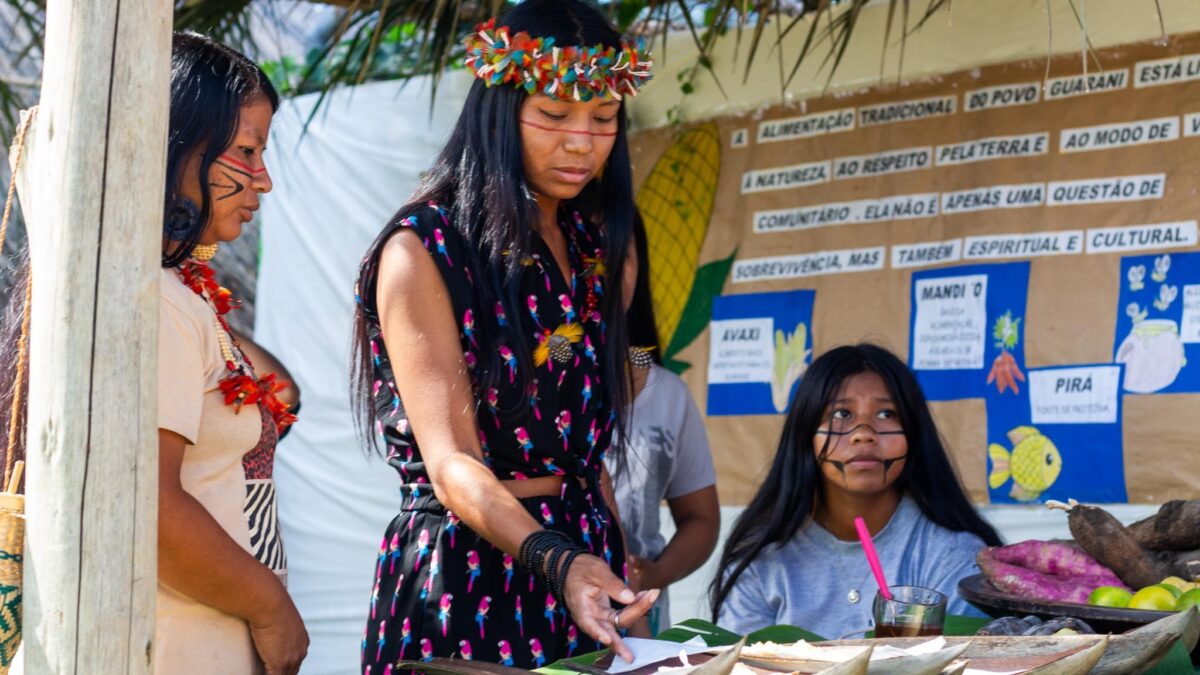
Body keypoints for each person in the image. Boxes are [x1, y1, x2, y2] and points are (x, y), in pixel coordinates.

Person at [350, 1, 658, 669]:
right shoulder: (423, 247)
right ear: (498, 105)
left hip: (586, 564)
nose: (581, 140)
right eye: (553, 115)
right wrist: (560, 560)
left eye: (603, 119)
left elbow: (607, 407)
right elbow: (453, 462)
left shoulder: (606, 244)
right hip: (463, 575)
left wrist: (611, 552)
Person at [157, 33, 307, 674]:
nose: (263, 181)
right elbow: (149, 506)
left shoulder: (174, 293)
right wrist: (273, 608)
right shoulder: (155, 301)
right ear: (178, 144)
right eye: (247, 150)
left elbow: (284, 391)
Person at [710, 344, 1002, 639]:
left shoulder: (953, 555)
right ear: (806, 433)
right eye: (842, 414)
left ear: (913, 435)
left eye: (887, 414)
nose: (864, 433)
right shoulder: (763, 561)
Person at [607, 213, 719, 635]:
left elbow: (701, 518)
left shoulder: (668, 393)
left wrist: (652, 574)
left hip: (638, 625)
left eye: (623, 256)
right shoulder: (519, 381)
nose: (608, 270)